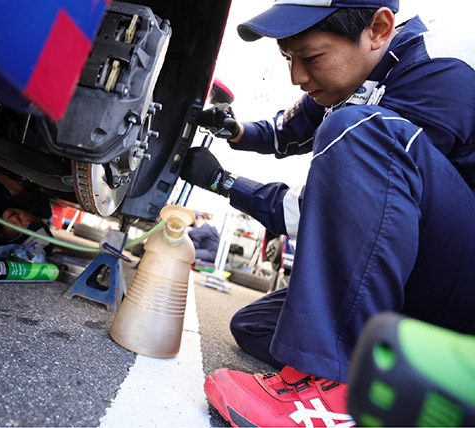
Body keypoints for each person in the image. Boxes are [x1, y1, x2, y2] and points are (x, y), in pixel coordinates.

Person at [180, 1, 475, 426]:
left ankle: (342, 396)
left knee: (359, 130)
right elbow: (287, 129)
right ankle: (433, 387)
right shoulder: (356, 73)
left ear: (378, 28)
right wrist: (233, 130)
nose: (297, 76)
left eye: (310, 57)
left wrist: (226, 184)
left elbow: (348, 203)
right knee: (258, 326)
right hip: (435, 289)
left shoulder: (441, 71)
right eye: (288, 58)